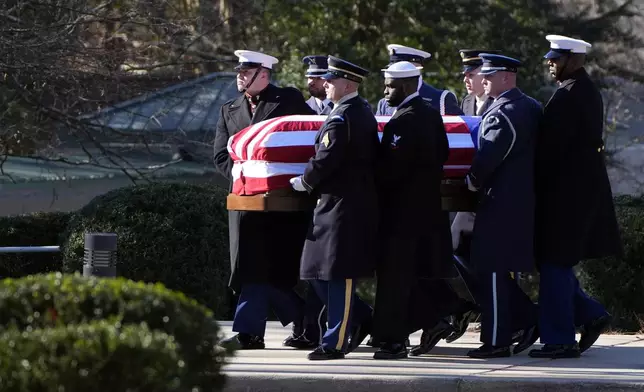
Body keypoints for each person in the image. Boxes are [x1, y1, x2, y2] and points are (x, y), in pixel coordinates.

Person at [213, 50, 315, 350]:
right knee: (250, 269)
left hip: (281, 204)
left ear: (264, 75)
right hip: (244, 202)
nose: (240, 77)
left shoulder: (288, 101)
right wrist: (247, 176)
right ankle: (301, 317)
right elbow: (220, 155)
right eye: (239, 72)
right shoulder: (228, 109)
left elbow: (306, 142)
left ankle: (249, 333)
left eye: (247, 72)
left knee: (266, 269)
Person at [529, 35, 621, 359]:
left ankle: (560, 339)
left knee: (554, 263)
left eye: (556, 58)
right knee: (556, 263)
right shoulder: (581, 90)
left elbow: (552, 152)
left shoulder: (569, 96)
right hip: (574, 194)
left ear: (574, 60)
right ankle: (589, 312)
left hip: (566, 197)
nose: (550, 63)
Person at [290, 55, 379, 360]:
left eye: (331, 80)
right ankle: (361, 318)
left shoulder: (347, 114)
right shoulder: (352, 111)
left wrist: (305, 180)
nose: (325, 84)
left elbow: (328, 156)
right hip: (333, 205)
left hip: (345, 206)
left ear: (347, 83)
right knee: (315, 271)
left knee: (339, 275)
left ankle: (335, 342)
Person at [371, 61, 455, 360]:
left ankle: (393, 341)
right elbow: (444, 154)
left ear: (406, 86)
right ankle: (432, 319)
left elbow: (391, 171)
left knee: (394, 279)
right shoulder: (431, 116)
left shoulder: (403, 122)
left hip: (400, 214)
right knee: (411, 276)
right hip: (426, 212)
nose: (385, 91)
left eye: (390, 86)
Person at [465, 53, 541, 358]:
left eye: (490, 75)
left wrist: (470, 182)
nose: (484, 79)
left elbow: (488, 158)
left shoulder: (502, 113)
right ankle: (517, 324)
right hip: (521, 202)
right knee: (500, 271)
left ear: (507, 77)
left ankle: (497, 340)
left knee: (492, 272)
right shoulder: (531, 106)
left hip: (499, 203)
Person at [445, 48, 500, 345]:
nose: (466, 78)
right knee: (454, 250)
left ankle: (502, 316)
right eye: (465, 73)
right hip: (464, 193)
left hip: (489, 193)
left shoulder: (499, 104)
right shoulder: (465, 102)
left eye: (472, 72)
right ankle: (466, 308)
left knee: (489, 261)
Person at [282, 55, 333, 350]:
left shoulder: (342, 111)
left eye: (316, 77)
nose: (310, 82)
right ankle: (310, 328)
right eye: (309, 77)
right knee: (308, 269)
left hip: (327, 198)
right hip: (301, 199)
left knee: (321, 269)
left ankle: (320, 328)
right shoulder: (302, 110)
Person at [375, 44, 463, 116]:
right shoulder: (384, 104)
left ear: (415, 68)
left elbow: (458, 133)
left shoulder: (441, 99)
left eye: (400, 69)